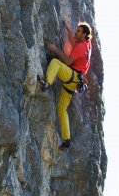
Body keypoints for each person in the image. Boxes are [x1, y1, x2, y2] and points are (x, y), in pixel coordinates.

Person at [37, 21, 93, 150]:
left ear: (84, 34)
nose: (75, 32)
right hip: (75, 82)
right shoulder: (86, 45)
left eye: (78, 31)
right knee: (62, 108)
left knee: (56, 62)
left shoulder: (81, 47)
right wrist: (68, 29)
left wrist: (54, 49)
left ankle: (47, 83)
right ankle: (66, 140)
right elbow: (74, 42)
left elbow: (67, 61)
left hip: (72, 75)